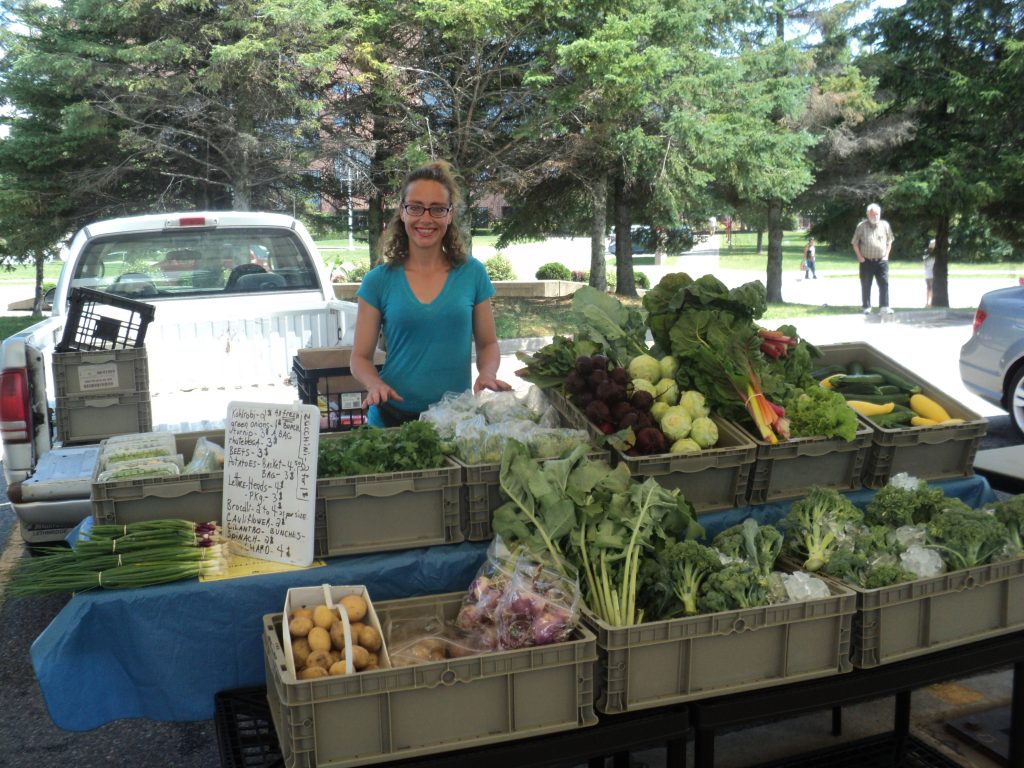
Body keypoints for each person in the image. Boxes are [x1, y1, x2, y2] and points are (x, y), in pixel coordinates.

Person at [350, 160, 511, 427]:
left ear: (449, 215)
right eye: (415, 207)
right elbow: (359, 358)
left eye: (437, 209)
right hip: (391, 418)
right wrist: (374, 383)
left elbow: (488, 343)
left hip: (454, 420)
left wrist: (487, 372)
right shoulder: (378, 281)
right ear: (402, 212)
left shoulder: (472, 274)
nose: (426, 218)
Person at [851, 203, 895, 314]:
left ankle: (884, 306)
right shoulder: (861, 226)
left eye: (877, 214)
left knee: (884, 284)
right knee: (866, 284)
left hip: (881, 261)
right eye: (873, 214)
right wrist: (860, 257)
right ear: (868, 214)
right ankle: (866, 307)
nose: (875, 216)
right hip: (866, 261)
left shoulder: (885, 225)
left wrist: (886, 256)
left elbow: (890, 241)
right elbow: (855, 243)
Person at [923, 238, 936, 307]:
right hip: (930, 273)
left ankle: (928, 302)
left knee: (929, 288)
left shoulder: (926, 256)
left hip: (927, 273)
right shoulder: (932, 256)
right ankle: (929, 302)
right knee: (931, 288)